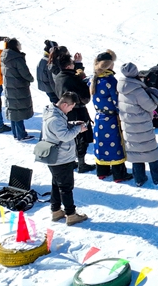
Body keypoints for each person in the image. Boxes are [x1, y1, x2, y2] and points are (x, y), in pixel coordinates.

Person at [117, 62, 158, 187]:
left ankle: (139, 178)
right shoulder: (137, 90)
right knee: (150, 151)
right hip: (141, 124)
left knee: (135, 152)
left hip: (128, 125)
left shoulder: (121, 89)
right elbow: (150, 106)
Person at [42, 91, 89, 226]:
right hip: (61, 158)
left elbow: (61, 128)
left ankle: (56, 211)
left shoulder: (53, 112)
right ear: (64, 104)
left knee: (56, 184)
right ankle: (71, 214)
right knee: (66, 187)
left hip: (55, 157)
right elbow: (65, 136)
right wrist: (78, 129)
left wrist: (73, 124)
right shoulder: (55, 119)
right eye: (71, 107)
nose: (71, 110)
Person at [89, 51, 131, 182]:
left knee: (101, 144)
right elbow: (116, 100)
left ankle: (102, 171)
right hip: (111, 119)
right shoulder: (110, 80)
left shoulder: (94, 78)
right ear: (109, 65)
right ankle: (119, 174)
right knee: (115, 144)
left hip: (99, 117)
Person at [51, 47, 95, 172]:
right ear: (69, 66)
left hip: (66, 111)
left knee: (72, 138)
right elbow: (85, 97)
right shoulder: (72, 79)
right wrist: (86, 84)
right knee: (81, 138)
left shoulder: (59, 76)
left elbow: (74, 75)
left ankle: (73, 162)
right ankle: (81, 164)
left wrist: (78, 64)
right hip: (77, 111)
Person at [0, 38, 34, 141]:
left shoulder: (4, 56)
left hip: (9, 85)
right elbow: (25, 73)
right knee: (18, 111)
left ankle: (16, 133)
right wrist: (30, 79)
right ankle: (21, 135)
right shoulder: (16, 58)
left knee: (13, 109)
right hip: (18, 87)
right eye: (19, 44)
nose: (20, 45)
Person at [37, 40, 58, 104]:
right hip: (51, 89)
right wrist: (57, 92)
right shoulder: (49, 62)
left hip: (46, 88)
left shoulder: (43, 59)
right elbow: (52, 80)